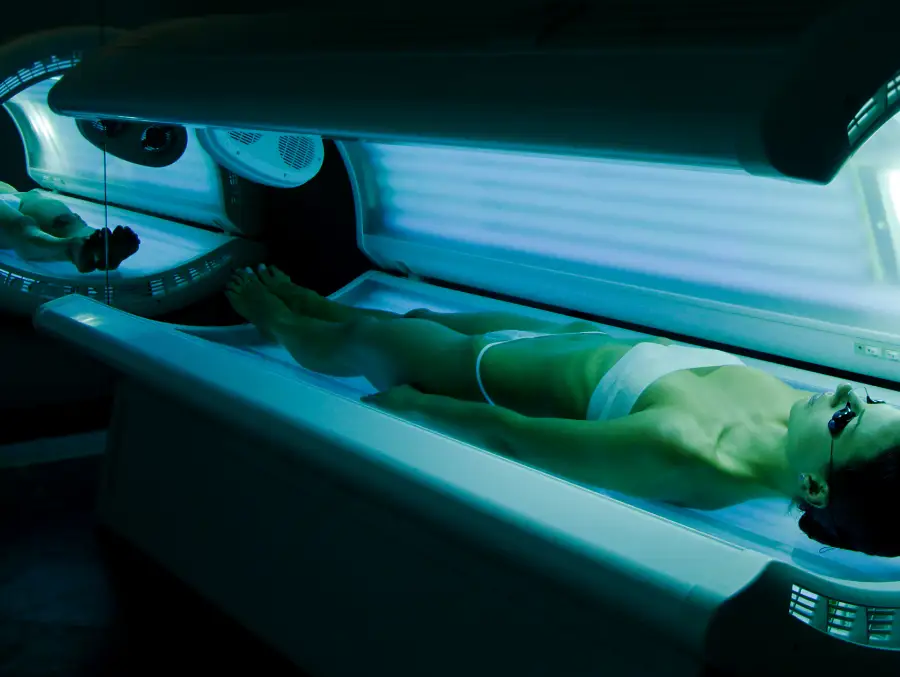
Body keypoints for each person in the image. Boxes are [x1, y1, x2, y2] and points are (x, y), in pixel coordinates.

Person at [225, 264, 900, 557]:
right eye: (869, 398)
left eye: (848, 419)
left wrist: (420, 409)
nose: (846, 394)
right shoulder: (793, 413)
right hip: (553, 342)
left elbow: (516, 438)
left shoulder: (688, 451)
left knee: (362, 342)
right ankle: (321, 305)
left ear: (814, 486)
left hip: (482, 374)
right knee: (416, 316)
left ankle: (285, 326)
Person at [0, 181, 140, 272]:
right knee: (21, 227)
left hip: (24, 201)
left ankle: (87, 244)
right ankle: (71, 244)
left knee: (70, 226)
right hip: (19, 207)